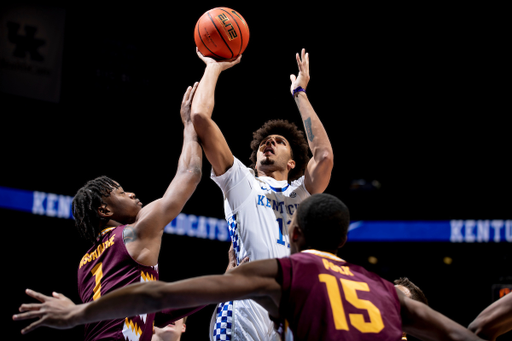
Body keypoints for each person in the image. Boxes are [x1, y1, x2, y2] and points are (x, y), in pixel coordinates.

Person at [14, 193, 485, 341]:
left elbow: (158, 294)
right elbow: (466, 336)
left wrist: (77, 313)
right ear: (344, 242)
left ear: (293, 234)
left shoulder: (284, 271)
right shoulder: (389, 290)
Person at [191, 47, 334, 340]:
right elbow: (201, 119)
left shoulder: (301, 193)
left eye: (279, 142)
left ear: (293, 162)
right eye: (264, 143)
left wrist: (300, 93)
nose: (268, 144)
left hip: (291, 308)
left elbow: (325, 157)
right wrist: (214, 67)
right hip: (244, 302)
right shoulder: (241, 180)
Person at [71, 83, 202, 340]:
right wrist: (189, 125)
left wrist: (222, 286)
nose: (131, 194)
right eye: (121, 192)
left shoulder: (84, 265)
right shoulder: (134, 233)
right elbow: (190, 174)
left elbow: (150, 313)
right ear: (104, 209)